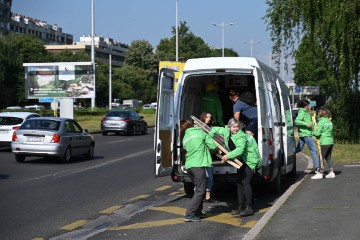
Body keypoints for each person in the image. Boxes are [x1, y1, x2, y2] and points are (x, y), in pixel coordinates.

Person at [210, 118, 261, 217]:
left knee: (246, 182)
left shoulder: (241, 136)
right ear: (229, 127)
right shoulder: (225, 131)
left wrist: (227, 156)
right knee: (239, 182)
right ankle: (241, 206)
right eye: (233, 127)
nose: (236, 129)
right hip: (241, 161)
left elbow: (239, 150)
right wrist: (210, 137)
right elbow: (214, 129)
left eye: (237, 127)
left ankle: (249, 207)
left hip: (251, 161)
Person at [181, 119, 217, 222]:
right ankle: (189, 214)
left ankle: (198, 212)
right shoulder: (200, 132)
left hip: (189, 166)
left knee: (198, 189)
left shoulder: (185, 137)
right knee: (201, 190)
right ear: (192, 125)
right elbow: (213, 146)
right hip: (198, 165)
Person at [294, 99, 321, 179]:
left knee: (298, 149)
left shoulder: (306, 113)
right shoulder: (302, 112)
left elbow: (310, 124)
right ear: (305, 106)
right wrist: (306, 124)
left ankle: (289, 152)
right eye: (308, 105)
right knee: (313, 150)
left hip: (305, 134)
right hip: (305, 134)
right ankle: (317, 168)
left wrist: (313, 131)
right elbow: (297, 121)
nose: (310, 106)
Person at [199, 112, 218, 203]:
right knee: (202, 177)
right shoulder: (198, 129)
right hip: (201, 156)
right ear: (203, 117)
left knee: (210, 177)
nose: (209, 119)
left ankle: (208, 197)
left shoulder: (210, 128)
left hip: (208, 155)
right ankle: (200, 196)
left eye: (210, 117)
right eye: (207, 117)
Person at [314, 108, 335, 178]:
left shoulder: (321, 122)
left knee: (321, 157)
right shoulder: (329, 121)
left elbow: (317, 133)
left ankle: (319, 173)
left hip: (324, 142)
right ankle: (331, 171)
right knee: (328, 157)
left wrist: (312, 132)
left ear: (321, 114)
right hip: (331, 141)